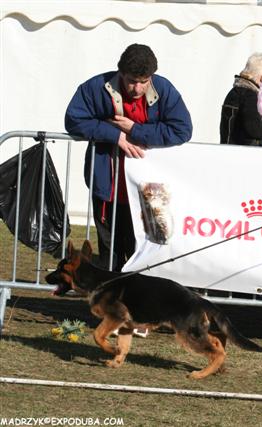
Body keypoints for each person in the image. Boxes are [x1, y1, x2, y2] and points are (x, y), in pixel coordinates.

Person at [65, 44, 193, 337]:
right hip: (108, 187)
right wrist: (114, 136)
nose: (136, 88)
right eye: (131, 81)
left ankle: (142, 315)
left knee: (143, 248)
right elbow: (73, 119)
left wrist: (135, 129)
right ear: (120, 73)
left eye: (143, 82)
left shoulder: (165, 91)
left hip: (148, 194)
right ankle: (110, 312)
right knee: (110, 251)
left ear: (151, 77)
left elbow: (182, 130)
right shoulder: (96, 88)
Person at [220, 52, 262, 146]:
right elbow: (255, 129)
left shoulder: (235, 91)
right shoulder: (249, 95)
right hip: (243, 154)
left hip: (229, 150)